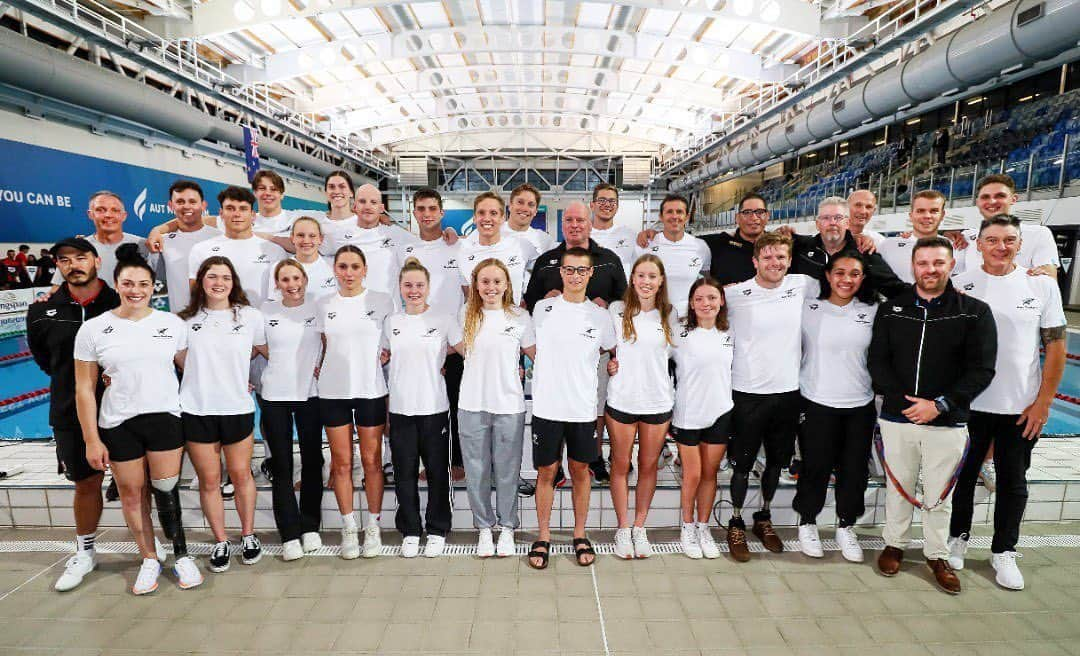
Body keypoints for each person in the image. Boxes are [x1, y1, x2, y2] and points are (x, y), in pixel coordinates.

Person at [869, 236, 997, 595]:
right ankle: (894, 544)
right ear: (913, 266)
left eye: (938, 263)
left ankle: (936, 554)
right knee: (899, 487)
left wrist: (939, 404)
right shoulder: (892, 309)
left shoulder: (974, 311)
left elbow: (981, 369)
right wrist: (903, 402)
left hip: (947, 420)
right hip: (898, 418)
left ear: (951, 265)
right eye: (923, 263)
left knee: (940, 495)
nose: (930, 270)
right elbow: (877, 361)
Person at [73, 248, 201, 594]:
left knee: (165, 490)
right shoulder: (94, 329)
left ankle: (181, 555)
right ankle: (148, 558)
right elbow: (84, 388)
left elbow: (193, 372)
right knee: (131, 493)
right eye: (128, 283)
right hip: (118, 422)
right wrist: (91, 439)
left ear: (152, 286)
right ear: (116, 284)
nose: (135, 290)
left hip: (164, 417)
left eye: (143, 283)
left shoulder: (170, 324)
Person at [947, 215, 1066, 590]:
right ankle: (958, 538)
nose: (1001, 246)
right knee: (963, 477)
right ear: (978, 244)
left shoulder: (1042, 286)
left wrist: (1044, 402)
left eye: (1009, 240)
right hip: (970, 404)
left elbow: (1057, 347)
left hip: (1019, 407)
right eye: (993, 239)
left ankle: (1004, 551)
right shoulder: (960, 285)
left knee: (1014, 482)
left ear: (1019, 244)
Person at [27, 237, 120, 591]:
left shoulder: (119, 301)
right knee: (86, 484)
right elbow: (44, 361)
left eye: (80, 257)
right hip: (69, 410)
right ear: (57, 266)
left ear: (96, 260)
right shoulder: (42, 310)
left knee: (133, 483)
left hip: (122, 408)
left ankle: (146, 545)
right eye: (64, 260)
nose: (73, 265)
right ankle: (85, 550)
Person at [723, 231, 817, 561]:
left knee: (776, 463)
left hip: (788, 392)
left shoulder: (803, 285)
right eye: (767, 257)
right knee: (742, 464)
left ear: (789, 260)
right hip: (747, 392)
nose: (774, 263)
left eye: (781, 257)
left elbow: (846, 280)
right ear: (755, 261)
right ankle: (735, 521)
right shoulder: (735, 295)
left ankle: (763, 518)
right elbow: (694, 305)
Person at [524, 201, 627, 485]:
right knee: (555, 405)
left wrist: (607, 304)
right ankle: (553, 463)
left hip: (595, 346)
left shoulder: (608, 258)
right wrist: (547, 298)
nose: (575, 225)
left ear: (589, 223)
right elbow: (530, 302)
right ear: (563, 224)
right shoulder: (547, 261)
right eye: (569, 220)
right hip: (555, 351)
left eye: (580, 220)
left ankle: (592, 457)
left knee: (595, 403)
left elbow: (624, 298)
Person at [528, 248, 616, 569]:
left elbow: (609, 350)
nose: (575, 276)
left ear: (591, 274)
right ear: (561, 272)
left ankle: (580, 532)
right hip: (548, 407)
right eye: (570, 270)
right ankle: (544, 535)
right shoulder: (542, 309)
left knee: (580, 471)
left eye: (582, 271)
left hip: (582, 409)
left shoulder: (600, 316)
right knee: (547, 472)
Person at [178, 256, 266, 573]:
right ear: (201, 281)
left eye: (225, 277)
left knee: (241, 475)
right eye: (212, 276)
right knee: (210, 480)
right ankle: (220, 539)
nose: (219, 282)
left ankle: (248, 535)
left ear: (234, 282)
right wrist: (206, 375)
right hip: (196, 408)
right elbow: (178, 357)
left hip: (237, 408)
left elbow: (263, 350)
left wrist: (234, 374)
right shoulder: (184, 321)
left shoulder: (250, 317)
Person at [794, 252, 879, 562]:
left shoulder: (872, 311)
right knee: (815, 467)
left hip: (859, 403)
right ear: (827, 276)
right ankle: (807, 521)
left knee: (853, 470)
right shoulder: (809, 308)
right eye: (840, 273)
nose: (846, 279)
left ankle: (846, 524)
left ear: (863, 278)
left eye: (854, 274)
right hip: (817, 401)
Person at [448, 259, 536, 558]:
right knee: (477, 470)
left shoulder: (520, 317)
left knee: (508, 471)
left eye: (497, 281)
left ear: (507, 284)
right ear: (476, 285)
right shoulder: (464, 314)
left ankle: (508, 528)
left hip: (509, 405)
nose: (491, 287)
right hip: (472, 403)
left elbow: (536, 355)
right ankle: (485, 528)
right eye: (485, 281)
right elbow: (463, 351)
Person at [317, 245, 394, 559]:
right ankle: (349, 527)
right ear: (335, 270)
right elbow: (323, 344)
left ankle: (373, 526)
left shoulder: (381, 301)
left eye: (354, 267)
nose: (348, 273)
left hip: (370, 390)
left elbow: (389, 343)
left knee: (373, 462)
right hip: (333, 392)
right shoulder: (323, 304)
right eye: (343, 267)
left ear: (364, 270)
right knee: (342, 463)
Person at [605, 254, 679, 559]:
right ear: (632, 279)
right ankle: (623, 529)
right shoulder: (616, 310)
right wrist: (611, 364)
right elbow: (609, 348)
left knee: (649, 466)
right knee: (621, 465)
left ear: (661, 281)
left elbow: (676, 357)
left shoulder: (670, 314)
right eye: (641, 275)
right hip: (622, 398)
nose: (646, 282)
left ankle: (639, 527)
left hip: (657, 400)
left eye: (652, 276)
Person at [382, 258, 454, 558]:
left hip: (434, 408)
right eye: (408, 285)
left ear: (428, 287)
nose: (414, 290)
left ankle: (437, 528)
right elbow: (382, 359)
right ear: (400, 287)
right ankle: (411, 529)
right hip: (400, 409)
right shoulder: (391, 322)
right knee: (405, 473)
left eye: (419, 285)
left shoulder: (444, 319)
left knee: (437, 472)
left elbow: (466, 350)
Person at [257, 259, 325, 561]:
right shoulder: (265, 311)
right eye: (285, 279)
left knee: (312, 459)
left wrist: (317, 367)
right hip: (274, 395)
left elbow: (328, 341)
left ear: (305, 279)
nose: (291, 284)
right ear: (277, 283)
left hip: (310, 394)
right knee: (282, 466)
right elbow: (259, 347)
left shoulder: (318, 306)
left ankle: (310, 525)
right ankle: (289, 534)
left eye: (296, 278)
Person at [397, 188, 466, 481]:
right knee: (422, 406)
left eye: (432, 209)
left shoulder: (457, 247)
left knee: (455, 402)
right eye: (421, 209)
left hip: (453, 343)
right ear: (414, 213)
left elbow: (468, 295)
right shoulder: (406, 250)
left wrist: (457, 341)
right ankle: (429, 462)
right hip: (419, 343)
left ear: (441, 213)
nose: (426, 214)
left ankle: (458, 460)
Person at [670, 277, 733, 560]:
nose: (706, 304)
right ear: (691, 304)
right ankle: (687, 526)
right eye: (699, 299)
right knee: (692, 474)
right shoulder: (678, 333)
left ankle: (703, 526)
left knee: (709, 474)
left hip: (720, 411)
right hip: (687, 414)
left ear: (721, 301)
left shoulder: (731, 333)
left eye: (711, 298)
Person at [187, 186, 287, 306]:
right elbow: (196, 296)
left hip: (264, 322)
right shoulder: (201, 249)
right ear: (221, 214)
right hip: (220, 323)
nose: (237, 214)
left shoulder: (275, 251)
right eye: (230, 208)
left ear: (253, 215)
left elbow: (283, 295)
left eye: (243, 209)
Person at [789, 197, 906, 298]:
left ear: (847, 223)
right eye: (826, 218)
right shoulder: (799, 247)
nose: (832, 222)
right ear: (818, 224)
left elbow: (895, 289)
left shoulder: (864, 253)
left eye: (838, 217)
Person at [321, 183, 419, 298]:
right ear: (354, 206)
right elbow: (306, 247)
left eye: (373, 202)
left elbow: (428, 243)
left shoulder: (396, 234)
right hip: (352, 310)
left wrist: (446, 232)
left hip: (388, 312)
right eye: (362, 201)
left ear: (381, 208)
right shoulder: (338, 235)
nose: (367, 207)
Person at [959, 174, 1059, 278]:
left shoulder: (1039, 234)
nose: (992, 201)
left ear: (1013, 199)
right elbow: (951, 277)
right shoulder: (966, 236)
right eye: (985, 197)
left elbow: (1048, 284)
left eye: (1000, 196)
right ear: (977, 202)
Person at [49, 191, 152, 290]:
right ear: (90, 214)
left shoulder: (142, 245)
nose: (108, 215)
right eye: (100, 210)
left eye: (115, 210)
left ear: (123, 216)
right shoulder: (78, 248)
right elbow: (57, 287)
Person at [633, 194, 710, 316]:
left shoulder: (700, 246)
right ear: (661, 217)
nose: (675, 216)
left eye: (679, 212)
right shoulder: (645, 245)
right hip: (652, 316)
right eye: (669, 212)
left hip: (687, 317)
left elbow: (706, 281)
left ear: (687, 217)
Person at [457, 192, 538, 306]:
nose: (487, 218)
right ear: (474, 218)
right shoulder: (463, 252)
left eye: (493, 213)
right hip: (477, 321)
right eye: (481, 213)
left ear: (502, 218)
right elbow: (467, 292)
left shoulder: (521, 246)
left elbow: (543, 269)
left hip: (512, 320)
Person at [157, 181, 222, 312]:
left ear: (203, 205)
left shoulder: (221, 238)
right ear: (171, 205)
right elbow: (157, 288)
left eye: (192, 202)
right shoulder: (163, 242)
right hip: (179, 319)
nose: (186, 206)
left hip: (216, 319)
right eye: (180, 202)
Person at [877, 191, 960, 283]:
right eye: (920, 211)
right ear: (911, 215)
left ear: (942, 215)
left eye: (934, 211)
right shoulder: (887, 246)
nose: (927, 216)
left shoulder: (955, 247)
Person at [702, 193, 769, 285]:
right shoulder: (717, 243)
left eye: (760, 212)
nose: (754, 217)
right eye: (747, 212)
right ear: (737, 218)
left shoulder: (781, 244)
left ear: (767, 216)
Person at [266, 216, 337, 301]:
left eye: (312, 235)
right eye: (300, 235)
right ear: (292, 238)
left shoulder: (333, 268)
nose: (306, 241)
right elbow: (275, 305)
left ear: (320, 239)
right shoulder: (279, 268)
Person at [588, 183, 637, 280]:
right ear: (592, 205)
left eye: (612, 201)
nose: (607, 204)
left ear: (617, 206)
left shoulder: (629, 235)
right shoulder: (582, 236)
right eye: (602, 200)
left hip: (621, 294)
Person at [503, 183, 556, 258]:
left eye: (531, 205)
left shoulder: (544, 240)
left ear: (535, 211)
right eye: (520, 202)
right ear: (510, 206)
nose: (525, 208)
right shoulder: (493, 234)